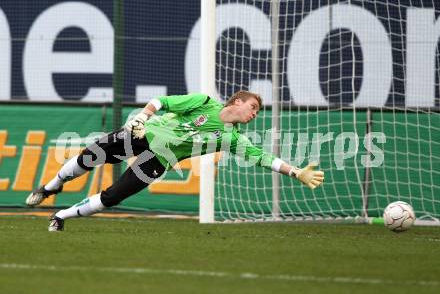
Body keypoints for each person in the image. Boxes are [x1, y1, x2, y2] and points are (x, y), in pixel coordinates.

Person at [26, 91, 324, 231]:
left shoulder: (232, 138)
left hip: (161, 159)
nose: (255, 113)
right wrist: (143, 116)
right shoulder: (205, 103)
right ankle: (51, 186)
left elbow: (264, 158)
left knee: (113, 197)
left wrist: (296, 172)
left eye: (257, 111)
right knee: (88, 158)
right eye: (253, 107)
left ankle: (61, 216)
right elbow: (162, 102)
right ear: (236, 101)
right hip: (143, 133)